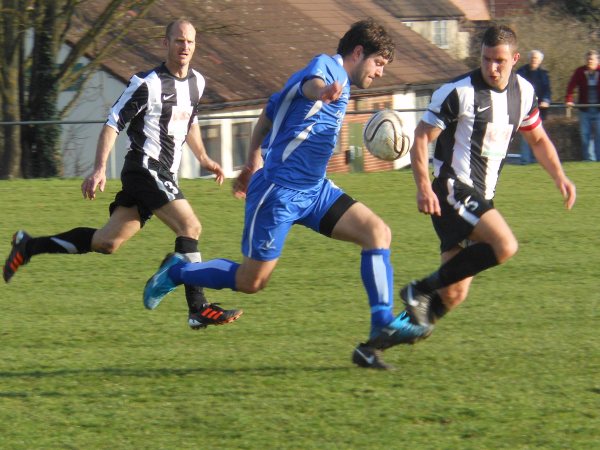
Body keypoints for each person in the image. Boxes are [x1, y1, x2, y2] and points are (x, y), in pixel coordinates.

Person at [143, 18, 431, 370]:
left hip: (314, 190)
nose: (380, 73)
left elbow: (269, 110)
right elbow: (314, 83)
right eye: (379, 64)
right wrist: (322, 91)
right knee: (252, 281)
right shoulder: (328, 69)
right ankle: (177, 272)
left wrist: (252, 159)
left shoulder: (338, 85)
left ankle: (380, 325)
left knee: (378, 233)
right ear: (358, 52)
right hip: (279, 193)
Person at [3, 19, 243, 330]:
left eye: (190, 42)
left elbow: (189, 122)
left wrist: (205, 158)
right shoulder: (147, 83)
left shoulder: (197, 82)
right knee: (190, 226)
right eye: (178, 41)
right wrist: (100, 168)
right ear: (165, 43)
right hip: (145, 168)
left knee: (107, 242)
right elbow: (113, 123)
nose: (184, 47)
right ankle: (198, 309)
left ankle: (28, 246)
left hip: (162, 174)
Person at [395, 25, 576, 345]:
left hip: (481, 196)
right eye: (486, 59)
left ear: (515, 59)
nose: (492, 67)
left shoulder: (524, 92)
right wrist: (423, 186)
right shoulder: (458, 92)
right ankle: (418, 290)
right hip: (451, 188)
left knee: (453, 292)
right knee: (505, 244)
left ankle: (379, 342)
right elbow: (421, 138)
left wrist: (560, 176)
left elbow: (538, 139)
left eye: (500, 61)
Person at [516, 49, 552, 164]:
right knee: (525, 134)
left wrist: (546, 100)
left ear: (540, 60)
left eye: (536, 58)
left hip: (540, 108)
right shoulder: (521, 72)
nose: (533, 60)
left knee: (538, 135)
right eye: (532, 58)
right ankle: (525, 159)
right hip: (524, 107)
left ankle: (538, 159)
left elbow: (547, 90)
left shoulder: (544, 74)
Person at [565, 49, 600, 161]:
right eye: (588, 59)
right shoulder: (580, 71)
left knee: (599, 135)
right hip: (584, 109)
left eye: (592, 59)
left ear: (597, 60)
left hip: (598, 109)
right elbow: (571, 86)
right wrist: (569, 99)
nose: (590, 61)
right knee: (586, 135)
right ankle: (589, 159)